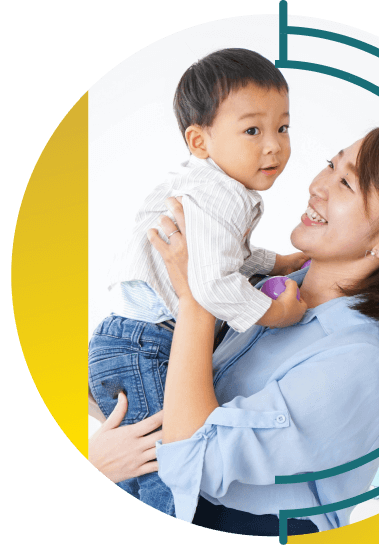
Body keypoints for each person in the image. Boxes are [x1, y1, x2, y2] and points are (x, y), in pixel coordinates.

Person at [89, 126, 379, 535]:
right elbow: (148, 393)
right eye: (331, 165)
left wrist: (196, 296)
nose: (318, 186)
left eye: (346, 183)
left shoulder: (359, 358)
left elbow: (192, 459)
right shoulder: (262, 295)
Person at [88, 48, 308, 515]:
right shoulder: (218, 194)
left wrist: (276, 262)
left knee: (144, 473)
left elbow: (223, 257)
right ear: (199, 140)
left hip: (131, 340)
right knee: (174, 475)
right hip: (146, 344)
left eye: (283, 128)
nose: (274, 145)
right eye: (252, 130)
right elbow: (209, 286)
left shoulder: (211, 185)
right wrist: (277, 313)